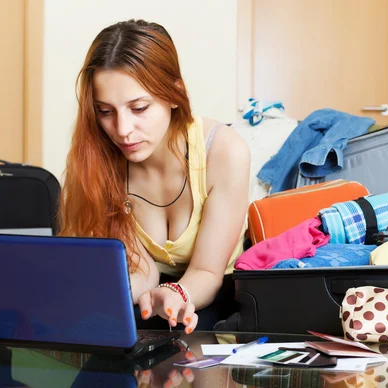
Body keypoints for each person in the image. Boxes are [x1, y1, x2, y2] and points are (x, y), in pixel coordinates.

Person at [58, 19, 251, 333]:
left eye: (139, 108)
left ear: (175, 94)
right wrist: (88, 300)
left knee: (182, 333)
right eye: (106, 111)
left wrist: (174, 292)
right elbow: (141, 271)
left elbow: (207, 272)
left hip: (219, 291)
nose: (122, 130)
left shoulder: (224, 151)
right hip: (150, 295)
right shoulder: (102, 160)